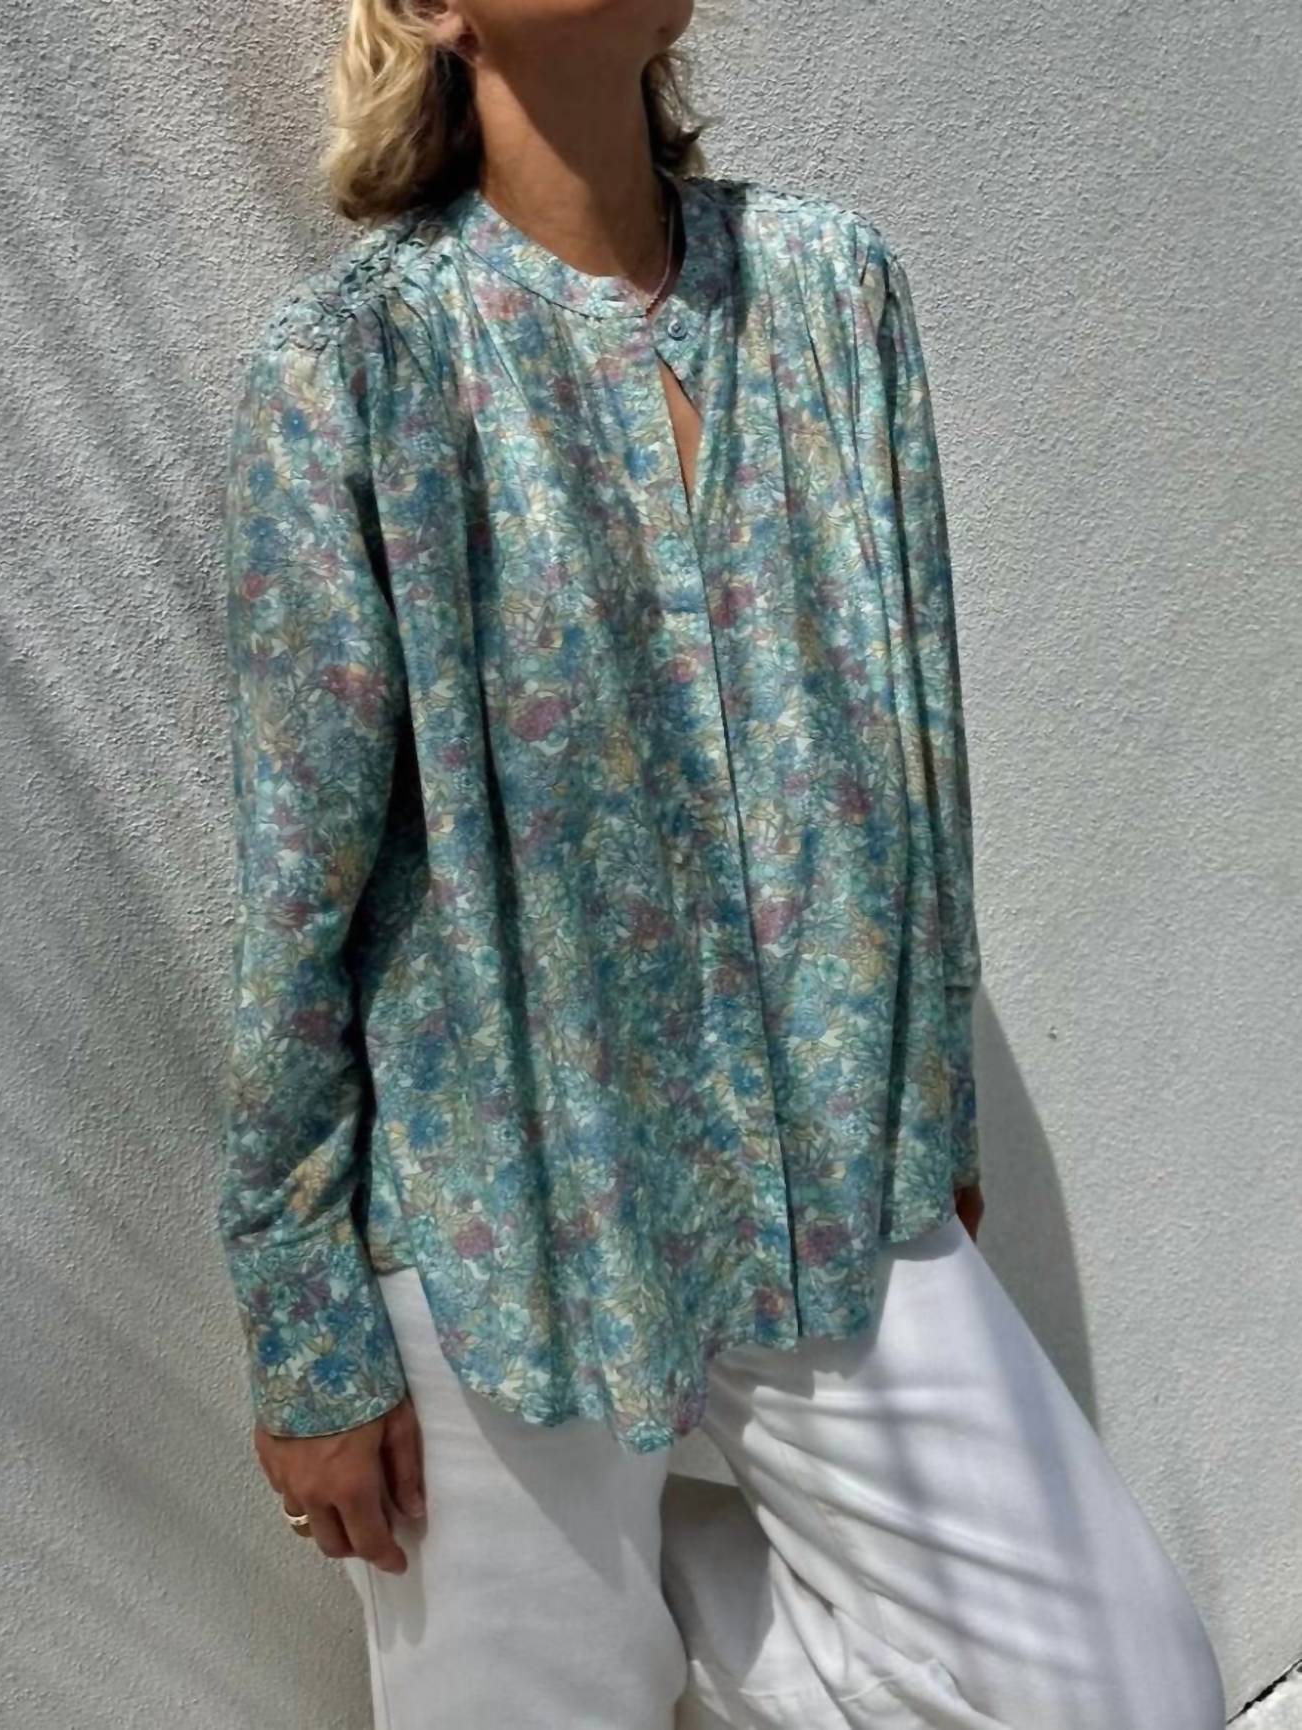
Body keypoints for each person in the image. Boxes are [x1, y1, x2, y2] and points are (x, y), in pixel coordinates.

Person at [216, 2, 1227, 1725]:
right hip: (505, 1218)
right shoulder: (358, 370)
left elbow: (919, 750)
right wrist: (302, 1309)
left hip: (821, 1183)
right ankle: (579, 1603)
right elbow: (296, 883)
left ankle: (655, 1597)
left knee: (1129, 1689)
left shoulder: (833, 295)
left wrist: (929, 1102)